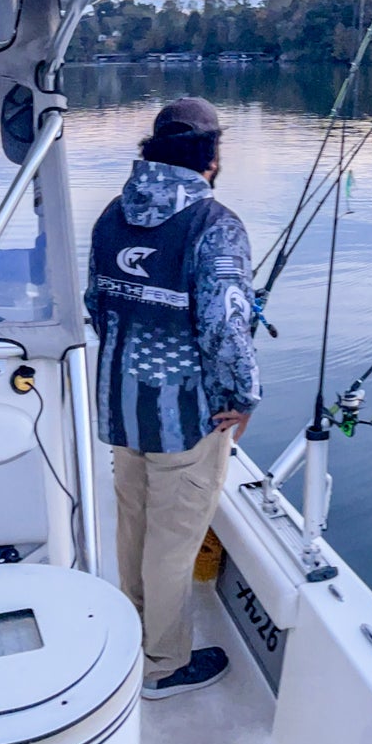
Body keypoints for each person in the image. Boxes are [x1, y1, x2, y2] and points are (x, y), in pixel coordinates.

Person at [87, 97, 259, 699]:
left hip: (119, 405)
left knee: (133, 523)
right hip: (186, 418)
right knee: (171, 541)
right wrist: (242, 396)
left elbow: (95, 303)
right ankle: (161, 663)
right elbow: (225, 326)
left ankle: (133, 634)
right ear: (210, 157)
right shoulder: (217, 225)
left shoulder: (112, 214)